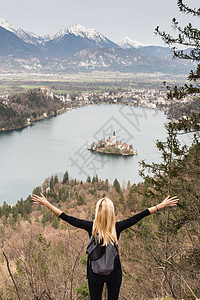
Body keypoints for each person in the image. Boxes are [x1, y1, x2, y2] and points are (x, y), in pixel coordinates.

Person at [31, 193, 179, 300]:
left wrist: (47, 204)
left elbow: (66, 217)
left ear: (97, 212)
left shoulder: (90, 227)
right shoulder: (117, 227)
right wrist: (161, 205)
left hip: (94, 273)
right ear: (112, 213)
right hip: (114, 272)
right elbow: (140, 215)